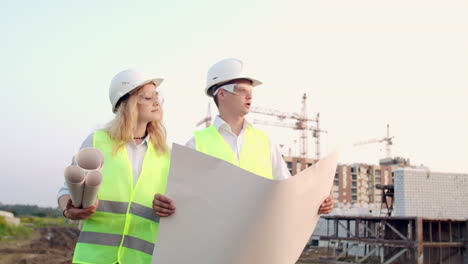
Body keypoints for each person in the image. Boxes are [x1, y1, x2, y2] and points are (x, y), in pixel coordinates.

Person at [153, 58, 334, 218]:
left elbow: (287, 192)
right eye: (241, 90)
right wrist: (162, 205)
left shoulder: (265, 143)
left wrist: (317, 202)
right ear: (221, 93)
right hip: (213, 247)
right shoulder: (195, 145)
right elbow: (178, 199)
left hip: (259, 242)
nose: (250, 96)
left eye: (251, 91)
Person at [57, 69, 170, 264]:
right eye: (147, 97)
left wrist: (168, 208)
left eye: (157, 96)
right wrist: (69, 210)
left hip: (141, 259)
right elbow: (66, 191)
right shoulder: (97, 142)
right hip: (94, 258)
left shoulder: (165, 154)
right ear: (127, 103)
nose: (156, 101)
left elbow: (174, 208)